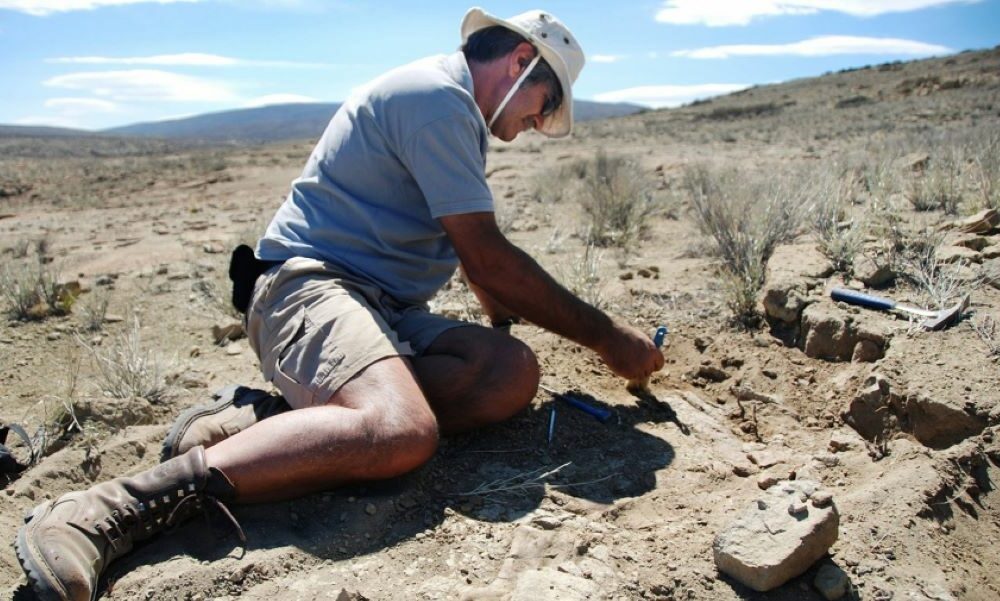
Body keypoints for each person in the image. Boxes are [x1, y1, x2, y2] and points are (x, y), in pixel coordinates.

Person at [15, 8, 664, 600]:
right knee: (400, 430)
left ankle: (266, 421)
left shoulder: (455, 110)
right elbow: (489, 254)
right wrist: (610, 338)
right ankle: (110, 508)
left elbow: (477, 263)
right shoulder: (437, 98)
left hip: (379, 305)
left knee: (508, 372)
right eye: (542, 108)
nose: (530, 129)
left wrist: (498, 328)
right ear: (521, 63)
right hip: (307, 287)